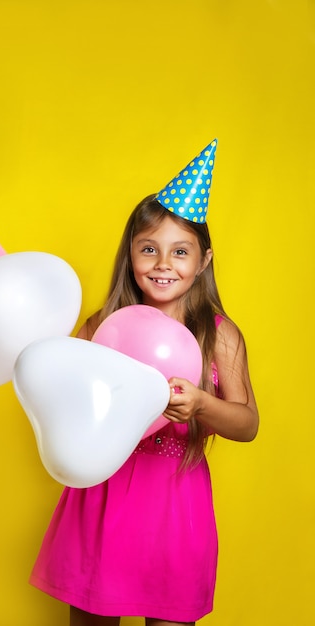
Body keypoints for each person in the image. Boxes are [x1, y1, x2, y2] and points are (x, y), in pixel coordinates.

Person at [29, 139, 259, 625]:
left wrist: (200, 405)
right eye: (149, 248)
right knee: (91, 616)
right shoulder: (102, 325)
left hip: (175, 506)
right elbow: (66, 396)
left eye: (180, 252)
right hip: (102, 499)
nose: (163, 263)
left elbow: (247, 423)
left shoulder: (218, 335)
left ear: (204, 261)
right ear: (130, 253)